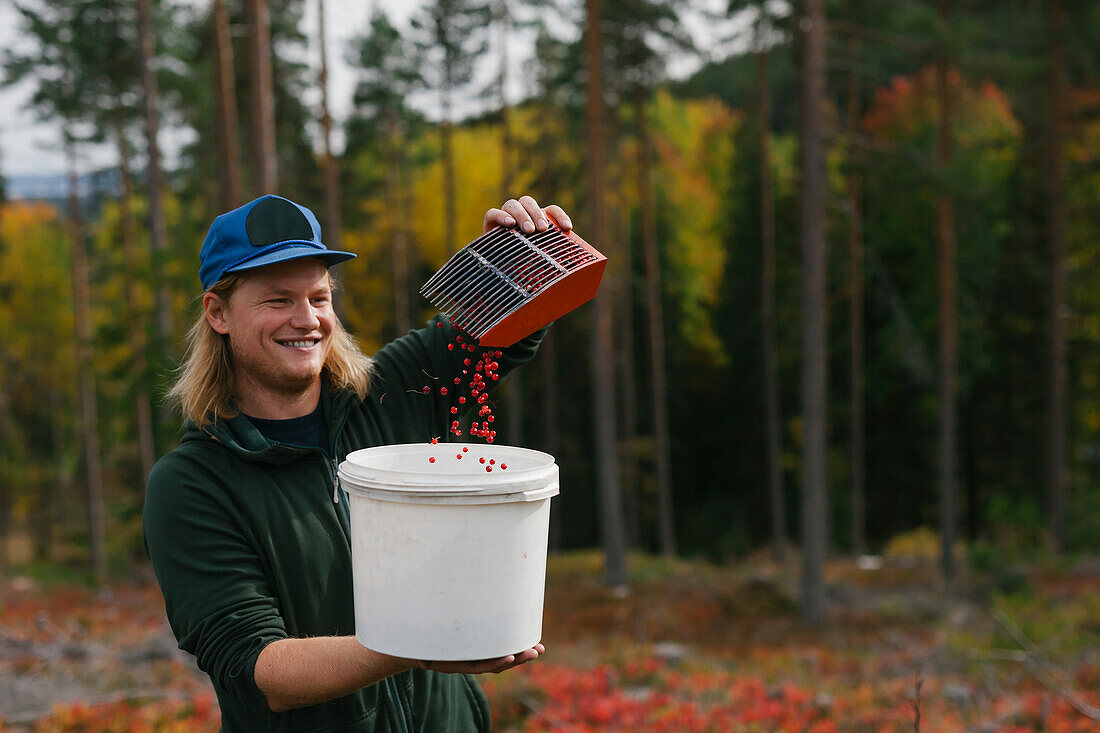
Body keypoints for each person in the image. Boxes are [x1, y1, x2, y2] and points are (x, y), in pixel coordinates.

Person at [143, 193, 572, 732]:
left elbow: (499, 333)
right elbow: (258, 670)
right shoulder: (193, 484)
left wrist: (519, 249)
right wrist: (420, 645)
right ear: (218, 312)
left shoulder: (392, 395)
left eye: (319, 297)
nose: (307, 320)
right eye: (277, 300)